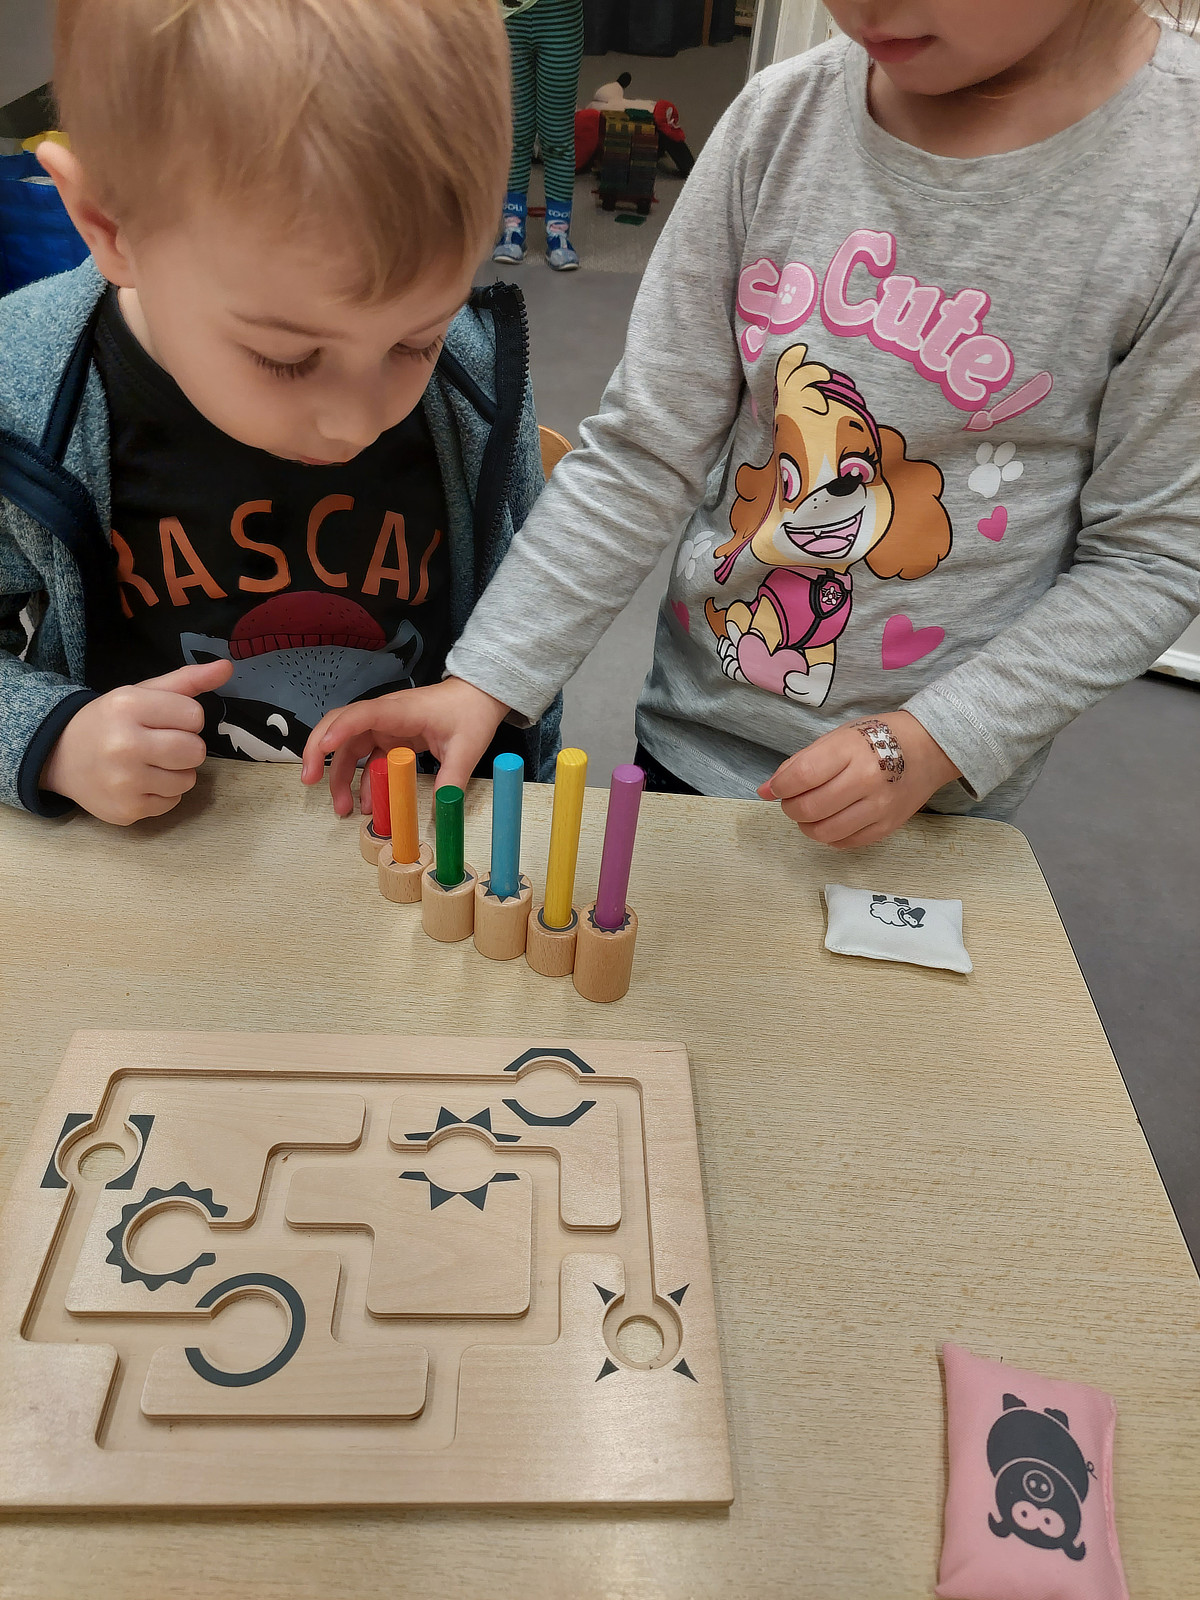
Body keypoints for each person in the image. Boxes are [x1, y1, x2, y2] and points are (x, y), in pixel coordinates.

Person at [305, 0, 1200, 850]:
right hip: (694, 738)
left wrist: (935, 740)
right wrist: (486, 678)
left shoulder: (1177, 175)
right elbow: (643, 452)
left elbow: (1150, 557)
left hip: (934, 797)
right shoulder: (777, 121)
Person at [0, 0, 559, 827]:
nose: (354, 423)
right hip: (154, 868)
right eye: (288, 358)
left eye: (417, 339)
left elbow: (534, 604)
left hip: (409, 856)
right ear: (108, 225)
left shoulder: (473, 385)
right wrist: (51, 739)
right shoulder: (24, 395)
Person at [493, 0, 586, 271]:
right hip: (507, 19)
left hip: (560, 17)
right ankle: (512, 225)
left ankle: (558, 231)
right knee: (514, 131)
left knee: (557, 135)